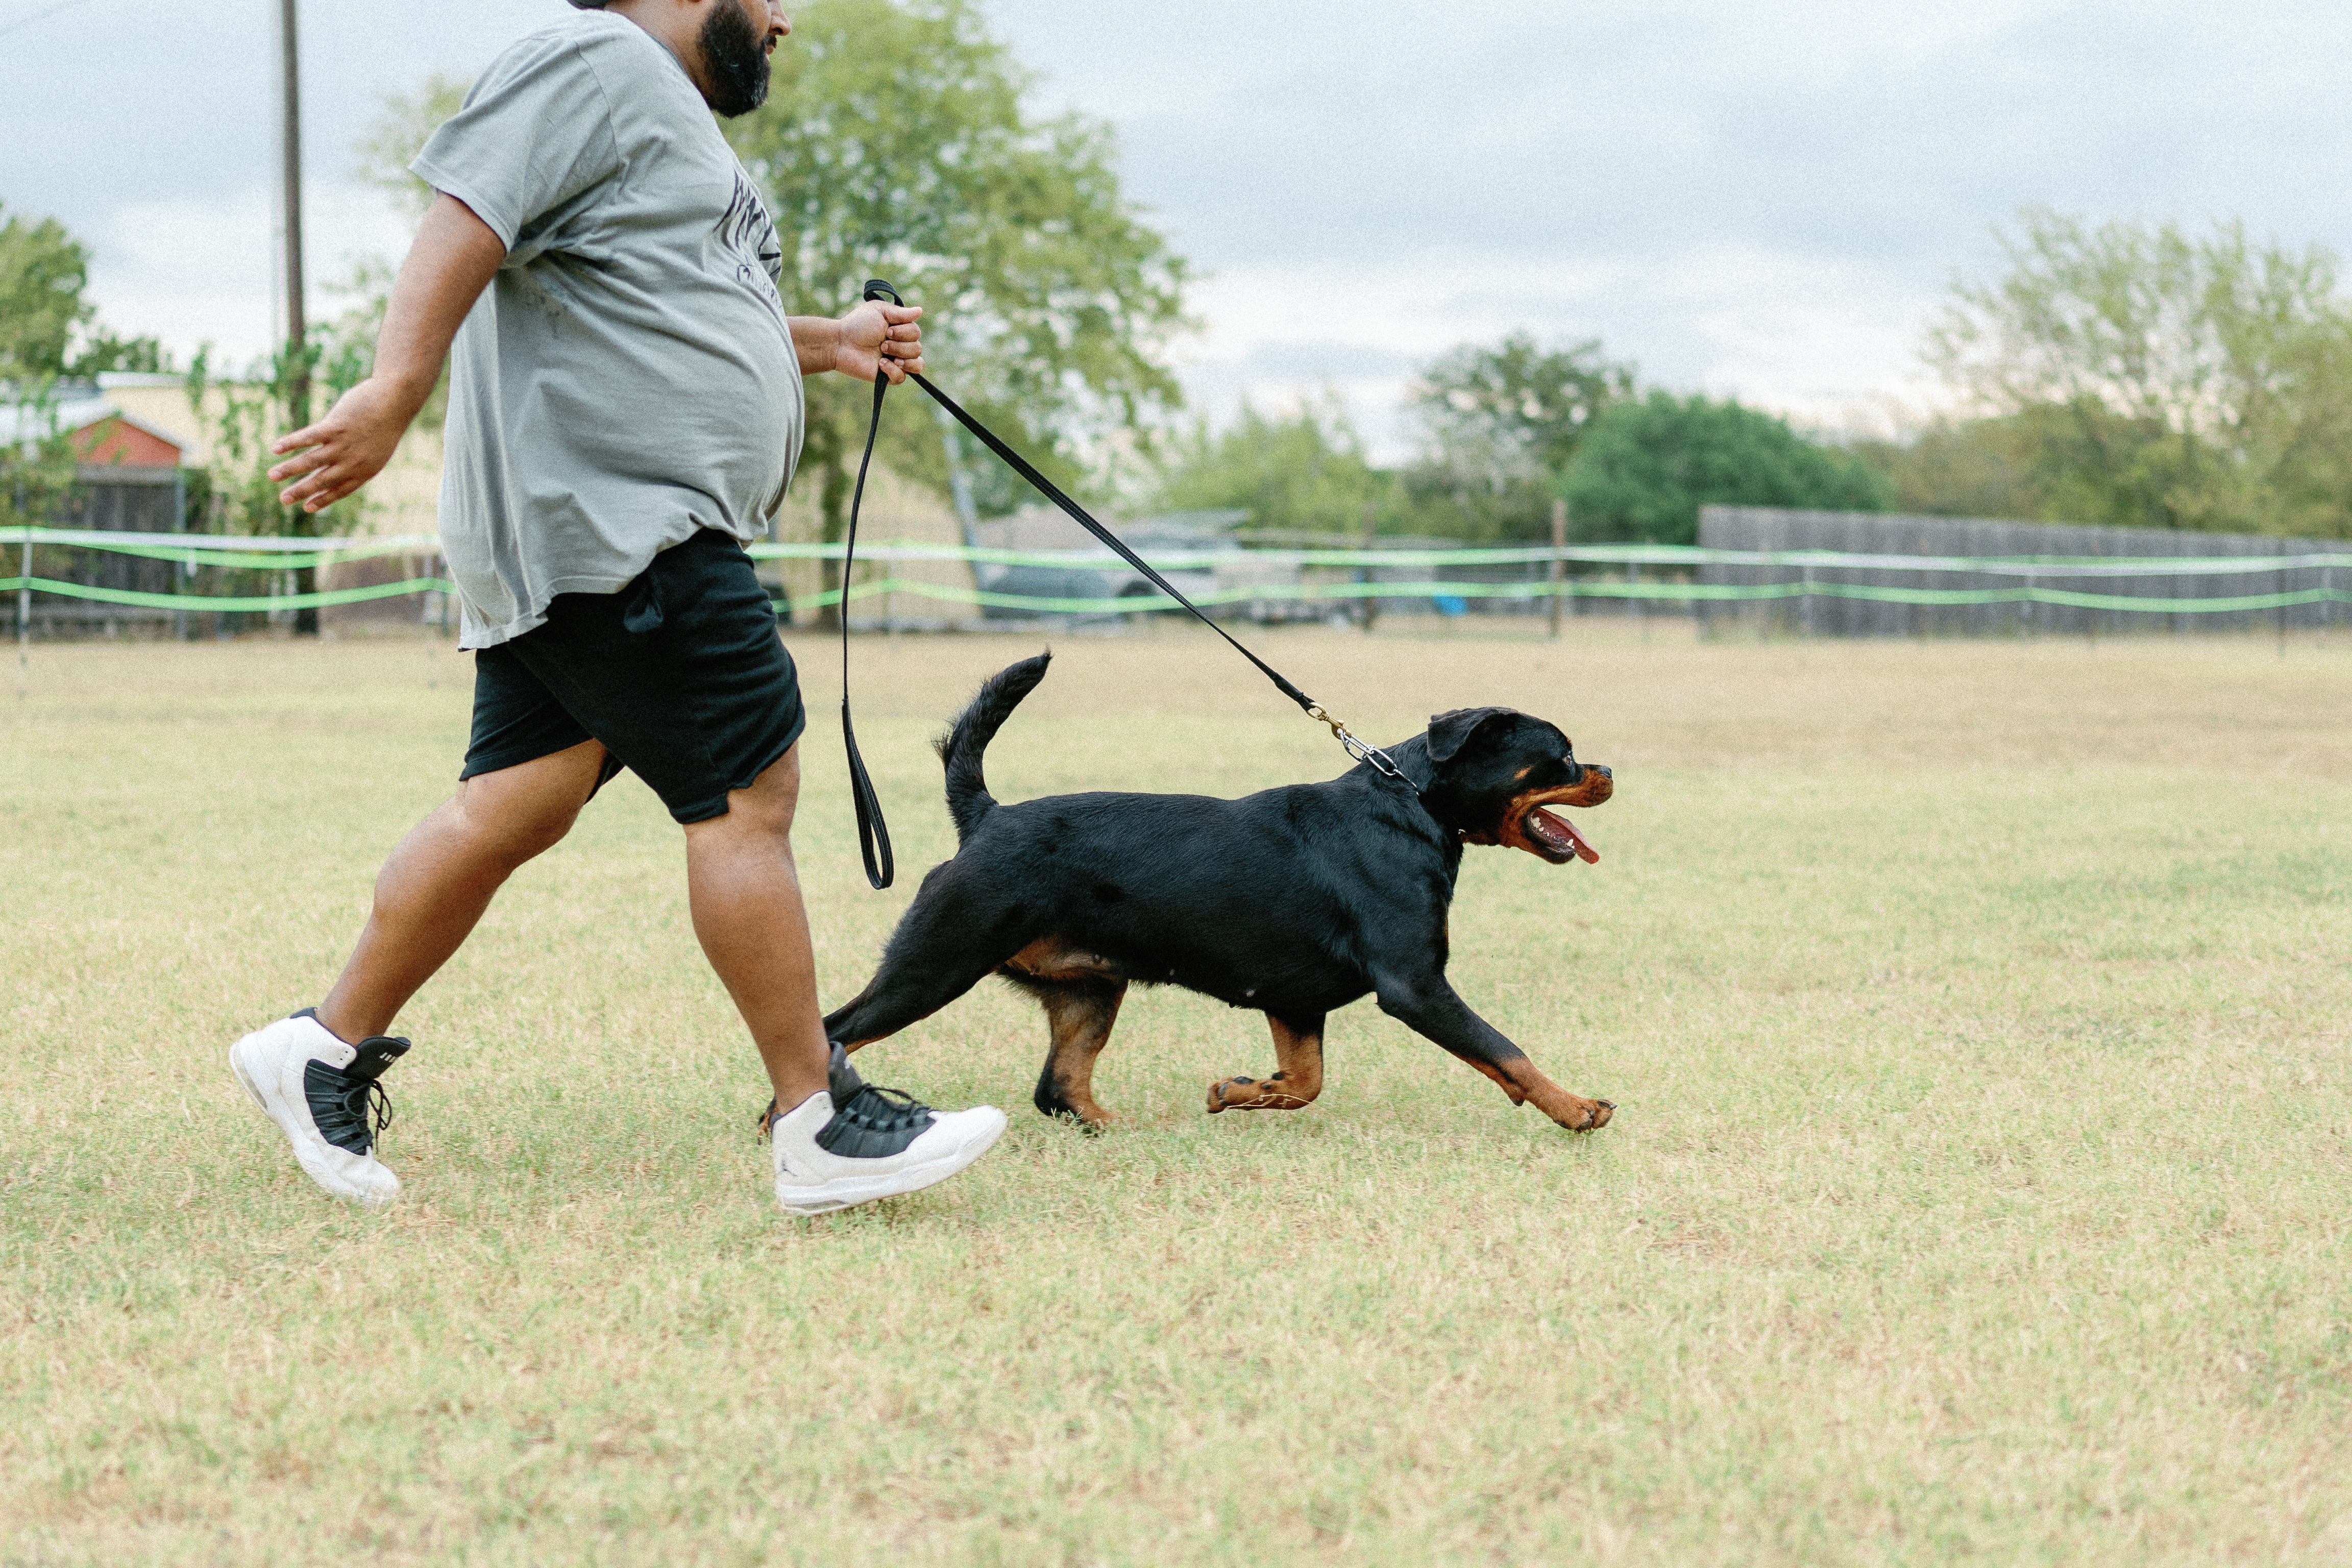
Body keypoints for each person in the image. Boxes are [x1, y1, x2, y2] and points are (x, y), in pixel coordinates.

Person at [229, 0, 1006, 1217]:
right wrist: (394, 389)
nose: (783, 20)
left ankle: (320, 1047)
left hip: (589, 531)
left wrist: (832, 343)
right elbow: (467, 213)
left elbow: (676, 307)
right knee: (752, 793)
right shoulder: (595, 60)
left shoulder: (666, 126)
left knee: (514, 803)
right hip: (625, 523)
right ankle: (817, 1118)